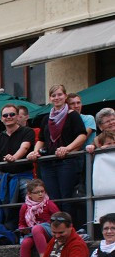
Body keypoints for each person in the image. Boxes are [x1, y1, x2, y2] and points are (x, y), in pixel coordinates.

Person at [27, 85, 88, 223]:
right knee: (53, 198)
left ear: (65, 96)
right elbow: (42, 139)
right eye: (54, 95)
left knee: (66, 197)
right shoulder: (46, 118)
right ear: (50, 98)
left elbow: (82, 136)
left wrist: (67, 148)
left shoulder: (72, 115)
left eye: (60, 94)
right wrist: (35, 151)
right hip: (49, 162)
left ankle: (70, 227)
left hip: (67, 161)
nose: (57, 98)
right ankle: (57, 227)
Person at [15, 179, 60, 257]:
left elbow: (58, 217)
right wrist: (22, 229)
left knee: (37, 228)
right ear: (29, 194)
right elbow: (21, 223)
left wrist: (45, 225)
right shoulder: (25, 207)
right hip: (32, 232)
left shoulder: (48, 204)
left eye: (42, 191)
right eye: (37, 192)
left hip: (49, 230)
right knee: (26, 242)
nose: (41, 194)